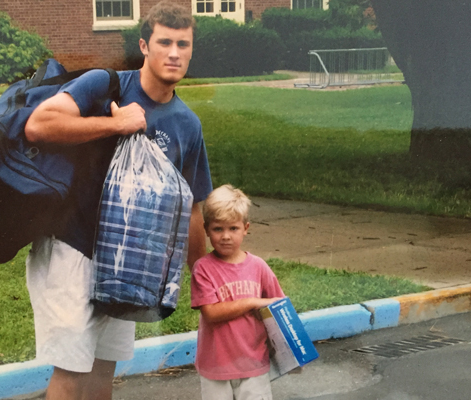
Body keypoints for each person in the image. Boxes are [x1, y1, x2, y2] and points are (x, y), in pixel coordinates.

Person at [23, 2, 212, 399]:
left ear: (192, 50)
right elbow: (39, 125)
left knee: (100, 374)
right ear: (144, 45)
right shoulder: (105, 85)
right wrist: (117, 123)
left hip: (129, 262)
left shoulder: (186, 124)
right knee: (73, 371)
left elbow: (191, 208)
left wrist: (205, 274)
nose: (174, 52)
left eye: (183, 44)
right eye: (164, 42)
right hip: (72, 248)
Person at [190, 184, 285, 400]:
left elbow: (279, 306)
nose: (225, 236)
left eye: (233, 228)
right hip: (216, 366)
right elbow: (211, 313)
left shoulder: (259, 267)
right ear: (206, 229)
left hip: (254, 363)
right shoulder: (203, 268)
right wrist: (252, 302)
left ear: (246, 228)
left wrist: (288, 351)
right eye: (218, 229)